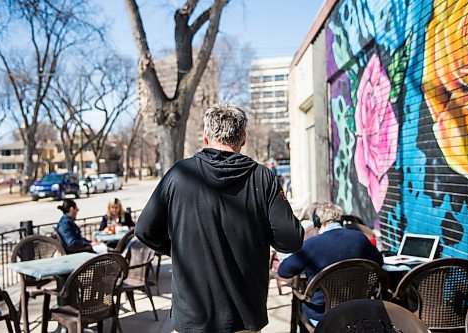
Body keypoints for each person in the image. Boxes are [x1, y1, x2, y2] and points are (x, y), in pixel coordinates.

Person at [136, 103, 304, 333]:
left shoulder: (179, 175)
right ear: (243, 138)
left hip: (192, 316)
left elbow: (145, 230)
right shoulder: (262, 177)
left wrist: (179, 249)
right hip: (244, 315)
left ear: (206, 137)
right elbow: (291, 240)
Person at [278, 201, 384, 324]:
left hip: (322, 316)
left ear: (318, 222)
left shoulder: (311, 245)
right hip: (358, 310)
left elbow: (283, 271)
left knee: (301, 307)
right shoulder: (360, 238)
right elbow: (379, 262)